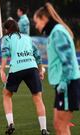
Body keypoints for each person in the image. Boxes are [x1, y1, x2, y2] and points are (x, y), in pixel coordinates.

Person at [34, 2, 80, 135]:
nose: (36, 26)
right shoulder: (54, 32)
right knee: (58, 125)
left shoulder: (58, 32)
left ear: (44, 19)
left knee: (61, 125)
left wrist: (64, 83)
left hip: (67, 84)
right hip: (62, 84)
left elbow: (68, 62)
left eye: (37, 22)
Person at [0, 19, 49, 135]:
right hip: (32, 67)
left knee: (7, 94)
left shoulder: (6, 38)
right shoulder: (27, 37)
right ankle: (43, 129)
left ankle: (11, 123)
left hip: (17, 68)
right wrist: (40, 69)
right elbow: (37, 54)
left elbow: (5, 54)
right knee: (38, 98)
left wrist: (2, 69)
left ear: (7, 30)